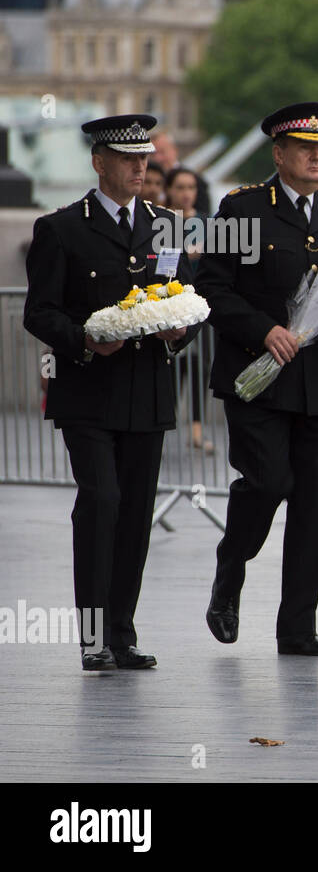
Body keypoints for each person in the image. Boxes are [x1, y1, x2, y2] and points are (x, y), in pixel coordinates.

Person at [23, 113, 195, 670]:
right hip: (90, 391)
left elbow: (182, 298)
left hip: (146, 391)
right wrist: (84, 341)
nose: (140, 167)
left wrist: (179, 331)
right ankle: (93, 636)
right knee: (102, 502)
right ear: (99, 162)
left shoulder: (166, 222)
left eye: (145, 158)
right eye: (127, 158)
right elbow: (39, 311)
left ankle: (122, 631)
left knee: (136, 511)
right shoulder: (63, 228)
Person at [197, 101, 318, 656]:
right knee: (268, 483)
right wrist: (263, 329)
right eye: (306, 149)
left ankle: (297, 627)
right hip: (260, 376)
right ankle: (232, 563)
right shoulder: (243, 208)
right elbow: (213, 288)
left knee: (314, 506)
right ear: (279, 154)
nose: (317, 158)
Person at [163, 165, 215, 455]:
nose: (186, 193)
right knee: (173, 364)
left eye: (191, 187)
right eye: (180, 187)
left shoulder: (207, 222)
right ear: (170, 190)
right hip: (172, 301)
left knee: (201, 364)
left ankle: (196, 428)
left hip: (202, 303)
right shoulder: (161, 219)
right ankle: (166, 422)